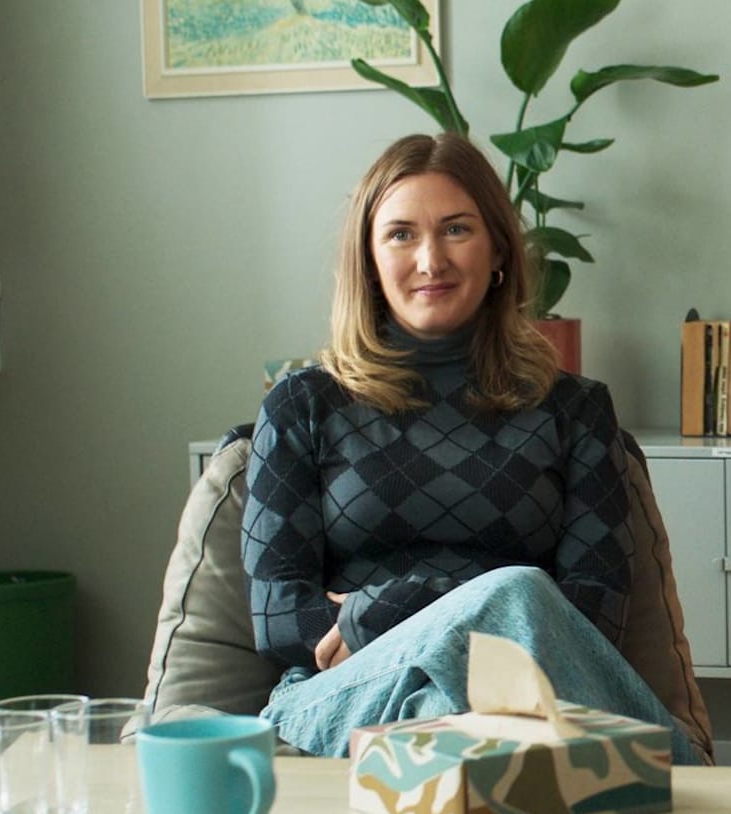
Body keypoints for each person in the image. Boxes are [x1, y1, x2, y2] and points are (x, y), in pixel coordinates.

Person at [241, 132, 701, 763]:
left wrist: (387, 606)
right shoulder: (303, 405)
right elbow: (277, 617)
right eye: (401, 235)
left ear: (499, 251)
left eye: (455, 229)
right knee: (518, 598)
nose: (430, 260)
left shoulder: (575, 411)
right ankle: (666, 778)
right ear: (369, 259)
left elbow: (593, 618)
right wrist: (475, 608)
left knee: (449, 699)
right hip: (343, 693)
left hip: (528, 692)